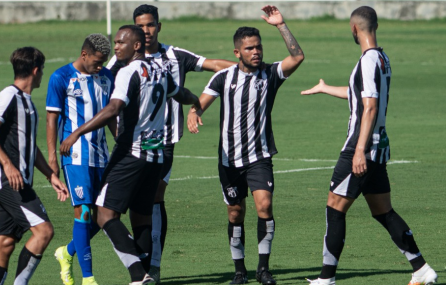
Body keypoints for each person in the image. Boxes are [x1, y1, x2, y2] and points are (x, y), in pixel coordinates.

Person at [301, 6, 437, 285]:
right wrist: (326, 88)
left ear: (354, 28)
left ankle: (325, 279)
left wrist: (360, 149)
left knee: (335, 207)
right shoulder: (382, 58)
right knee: (382, 210)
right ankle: (421, 269)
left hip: (361, 147)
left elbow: (370, 107)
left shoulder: (367, 60)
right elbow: (360, 96)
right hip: (380, 147)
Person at [60, 25, 201, 285]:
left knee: (104, 214)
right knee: (141, 215)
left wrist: (76, 132)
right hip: (156, 157)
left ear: (136, 46)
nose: (115, 47)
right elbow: (179, 93)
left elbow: (114, 107)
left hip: (131, 153)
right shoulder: (160, 70)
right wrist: (195, 101)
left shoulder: (128, 72)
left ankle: (137, 274)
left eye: (120, 42)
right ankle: (147, 274)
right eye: (114, 43)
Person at [106, 5, 235, 282]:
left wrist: (245, 68)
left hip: (164, 144)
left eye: (151, 25)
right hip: (129, 145)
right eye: (141, 26)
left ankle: (151, 265)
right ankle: (139, 265)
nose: (147, 30)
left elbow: (213, 65)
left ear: (159, 26)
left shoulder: (175, 56)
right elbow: (108, 102)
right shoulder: (120, 62)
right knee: (124, 205)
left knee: (152, 200)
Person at [187, 5, 304, 285]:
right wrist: (193, 113)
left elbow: (297, 56)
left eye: (258, 47)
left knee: (264, 206)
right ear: (237, 53)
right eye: (250, 48)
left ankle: (263, 268)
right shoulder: (223, 77)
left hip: (259, 156)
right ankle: (239, 270)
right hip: (229, 160)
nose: (256, 52)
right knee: (235, 212)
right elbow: (200, 104)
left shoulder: (271, 74)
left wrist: (281, 25)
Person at [0, 47, 69, 285]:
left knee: (4, 244)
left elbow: (30, 146)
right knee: (44, 231)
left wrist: (51, 176)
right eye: (42, 72)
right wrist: (7, 165)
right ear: (36, 71)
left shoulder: (26, 101)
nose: (42, 76)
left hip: (18, 182)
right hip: (11, 183)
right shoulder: (9, 95)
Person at [46, 33, 115, 285]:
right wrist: (52, 159)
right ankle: (89, 278)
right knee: (84, 211)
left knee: (106, 216)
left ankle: (67, 252)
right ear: (84, 55)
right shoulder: (61, 77)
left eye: (104, 61)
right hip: (74, 155)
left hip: (102, 155)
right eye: (97, 61)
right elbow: (51, 119)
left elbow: (111, 116)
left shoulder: (107, 76)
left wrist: (123, 145)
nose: (101, 65)